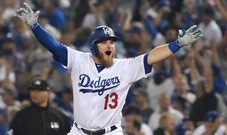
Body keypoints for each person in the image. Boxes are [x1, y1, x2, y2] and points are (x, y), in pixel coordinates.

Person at [16, 3, 203, 135]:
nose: (109, 45)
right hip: (79, 131)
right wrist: (35, 26)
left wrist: (177, 44)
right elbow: (54, 46)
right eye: (104, 42)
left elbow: (152, 56)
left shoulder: (125, 67)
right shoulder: (79, 60)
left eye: (112, 42)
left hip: (111, 132)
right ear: (93, 47)